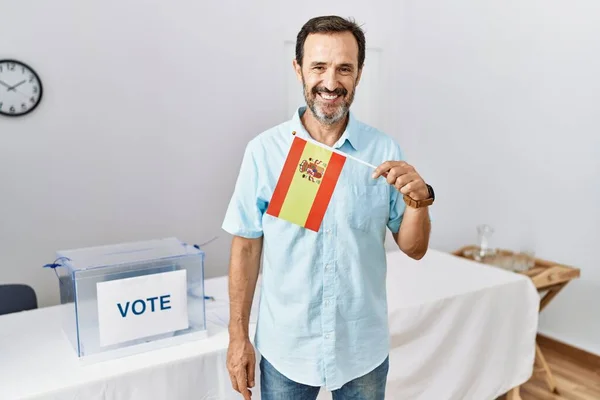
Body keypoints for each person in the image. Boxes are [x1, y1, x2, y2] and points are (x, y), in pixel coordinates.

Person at [221, 15, 434, 400]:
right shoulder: (265, 152)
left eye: (344, 69)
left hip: (361, 350)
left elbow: (414, 248)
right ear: (298, 68)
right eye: (319, 66)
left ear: (359, 73)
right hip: (286, 348)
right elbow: (246, 246)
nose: (331, 83)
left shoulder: (384, 152)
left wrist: (419, 202)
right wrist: (238, 337)